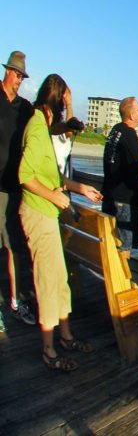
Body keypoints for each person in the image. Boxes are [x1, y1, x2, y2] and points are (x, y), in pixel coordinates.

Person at [19, 74, 102, 371]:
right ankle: (49, 350)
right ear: (57, 99)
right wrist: (54, 198)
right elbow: (25, 175)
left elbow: (53, 178)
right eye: (66, 99)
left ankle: (65, 337)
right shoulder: (38, 128)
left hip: (47, 212)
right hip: (38, 212)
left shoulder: (43, 124)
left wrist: (80, 189)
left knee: (60, 280)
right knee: (47, 281)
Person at [0, 50, 37, 327]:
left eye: (23, 77)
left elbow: (42, 127)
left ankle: (15, 300)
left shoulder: (25, 108)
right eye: (19, 76)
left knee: (14, 245)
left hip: (13, 186)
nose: (20, 81)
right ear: (9, 72)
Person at [101, 97, 138, 249]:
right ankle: (122, 272)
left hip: (108, 194)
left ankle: (113, 271)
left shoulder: (115, 130)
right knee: (123, 245)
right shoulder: (128, 133)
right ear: (132, 115)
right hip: (123, 199)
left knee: (110, 243)